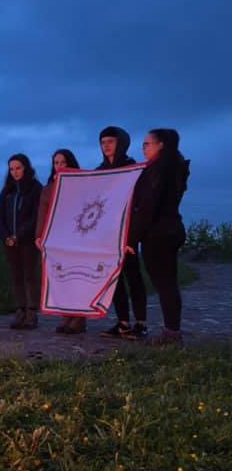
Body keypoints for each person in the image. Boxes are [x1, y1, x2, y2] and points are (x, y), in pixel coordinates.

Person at [128, 129, 191, 345]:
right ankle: (172, 329)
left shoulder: (158, 171)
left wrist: (132, 238)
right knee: (169, 283)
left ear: (161, 145)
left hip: (158, 233)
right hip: (173, 228)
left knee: (164, 283)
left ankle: (171, 333)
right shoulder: (175, 167)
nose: (144, 148)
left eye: (147, 144)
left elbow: (148, 208)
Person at [97, 126, 148, 340]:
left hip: (127, 231)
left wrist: (133, 233)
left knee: (133, 276)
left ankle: (140, 323)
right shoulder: (99, 171)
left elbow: (140, 201)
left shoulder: (132, 169)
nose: (106, 145)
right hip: (107, 233)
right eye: (103, 142)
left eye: (111, 141)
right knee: (114, 279)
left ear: (121, 143)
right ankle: (123, 322)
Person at [35, 149, 86, 334]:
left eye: (62, 162)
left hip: (75, 238)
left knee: (77, 277)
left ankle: (79, 316)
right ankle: (66, 313)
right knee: (62, 278)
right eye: (56, 163)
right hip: (56, 239)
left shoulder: (80, 185)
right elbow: (42, 212)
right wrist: (39, 235)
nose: (59, 166)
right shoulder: (49, 188)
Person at [0, 154, 43, 329]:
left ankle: (32, 312)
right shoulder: (7, 190)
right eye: (12, 169)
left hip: (28, 240)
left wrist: (20, 235)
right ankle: (20, 310)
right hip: (10, 242)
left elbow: (36, 215)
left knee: (30, 276)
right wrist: (5, 236)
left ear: (26, 168)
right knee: (16, 276)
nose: (15, 172)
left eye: (18, 168)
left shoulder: (35, 188)